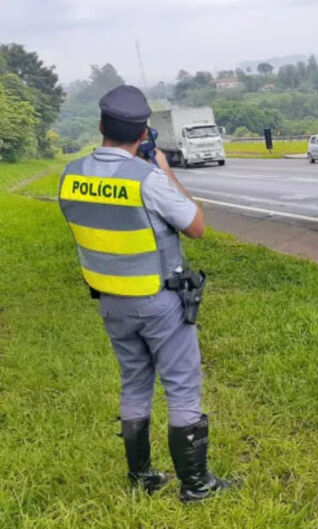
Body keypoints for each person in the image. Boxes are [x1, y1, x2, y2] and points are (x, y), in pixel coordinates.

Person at [57, 85, 235, 502]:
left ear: (101, 126)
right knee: (182, 385)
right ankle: (196, 484)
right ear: (143, 133)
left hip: (111, 301)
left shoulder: (72, 176)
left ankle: (141, 476)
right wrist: (162, 168)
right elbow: (196, 225)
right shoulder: (147, 179)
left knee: (134, 382)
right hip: (160, 301)